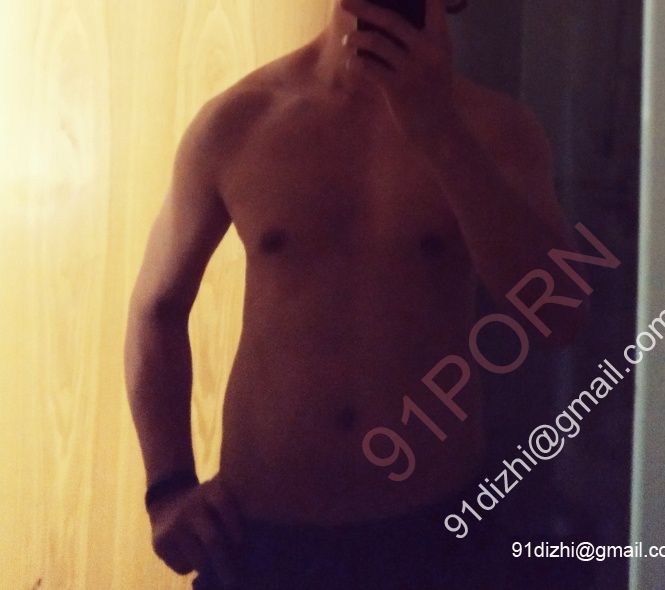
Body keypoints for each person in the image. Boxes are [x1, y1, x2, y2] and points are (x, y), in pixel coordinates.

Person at [124, 0, 587, 588]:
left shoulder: (496, 129)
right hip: (261, 539)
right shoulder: (241, 120)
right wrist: (168, 486)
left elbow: (558, 318)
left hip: (434, 535)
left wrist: (440, 131)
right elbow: (157, 309)